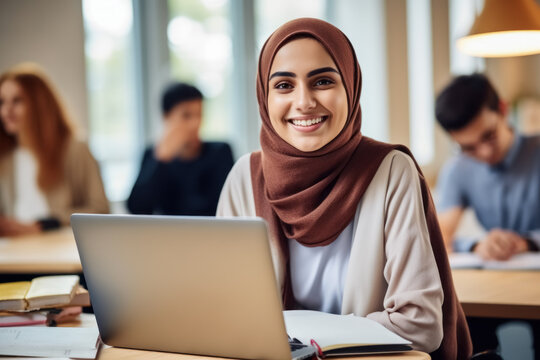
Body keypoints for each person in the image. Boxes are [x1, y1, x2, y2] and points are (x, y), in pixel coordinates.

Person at [217, 18, 471, 359]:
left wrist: (302, 342)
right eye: (284, 85)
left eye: (322, 81)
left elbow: (420, 324)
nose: (304, 102)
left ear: (350, 87)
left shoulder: (391, 171)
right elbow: (224, 315)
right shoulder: (244, 178)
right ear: (264, 95)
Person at [435, 73, 540, 358]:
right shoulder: (458, 169)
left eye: (489, 136)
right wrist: (477, 244)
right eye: (468, 147)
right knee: (465, 335)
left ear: (503, 110)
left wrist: (524, 242)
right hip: (494, 286)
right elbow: (439, 237)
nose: (482, 152)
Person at [0, 63, 109, 236]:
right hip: (13, 254)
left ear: (38, 104)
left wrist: (46, 224)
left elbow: (101, 209)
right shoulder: (5, 159)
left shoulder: (75, 149)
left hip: (59, 253)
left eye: (17, 100)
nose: (6, 110)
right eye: (2, 102)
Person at [127, 82, 234, 216]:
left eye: (199, 115)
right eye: (186, 116)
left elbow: (227, 206)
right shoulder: (153, 155)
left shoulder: (220, 152)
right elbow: (137, 208)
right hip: (167, 236)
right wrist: (160, 160)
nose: (195, 123)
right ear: (166, 117)